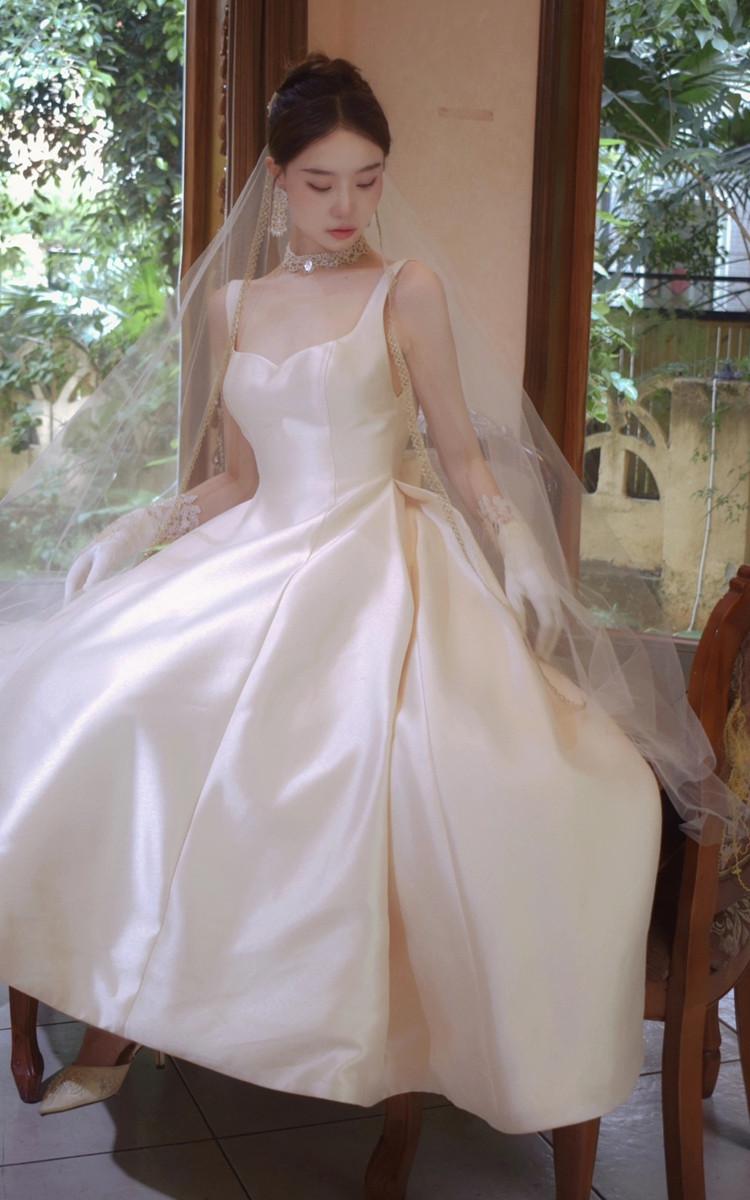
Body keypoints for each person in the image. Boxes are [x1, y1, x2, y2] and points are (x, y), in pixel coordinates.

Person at [0, 53, 731, 1134]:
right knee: (111, 708)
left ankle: (291, 1025)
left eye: (368, 178)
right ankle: (120, 1005)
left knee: (364, 767)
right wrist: (144, 526)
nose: (346, 206)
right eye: (321, 182)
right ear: (276, 179)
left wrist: (519, 549)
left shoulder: (407, 289)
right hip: (254, 551)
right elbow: (240, 477)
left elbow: (462, 455)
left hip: (374, 559)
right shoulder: (234, 304)